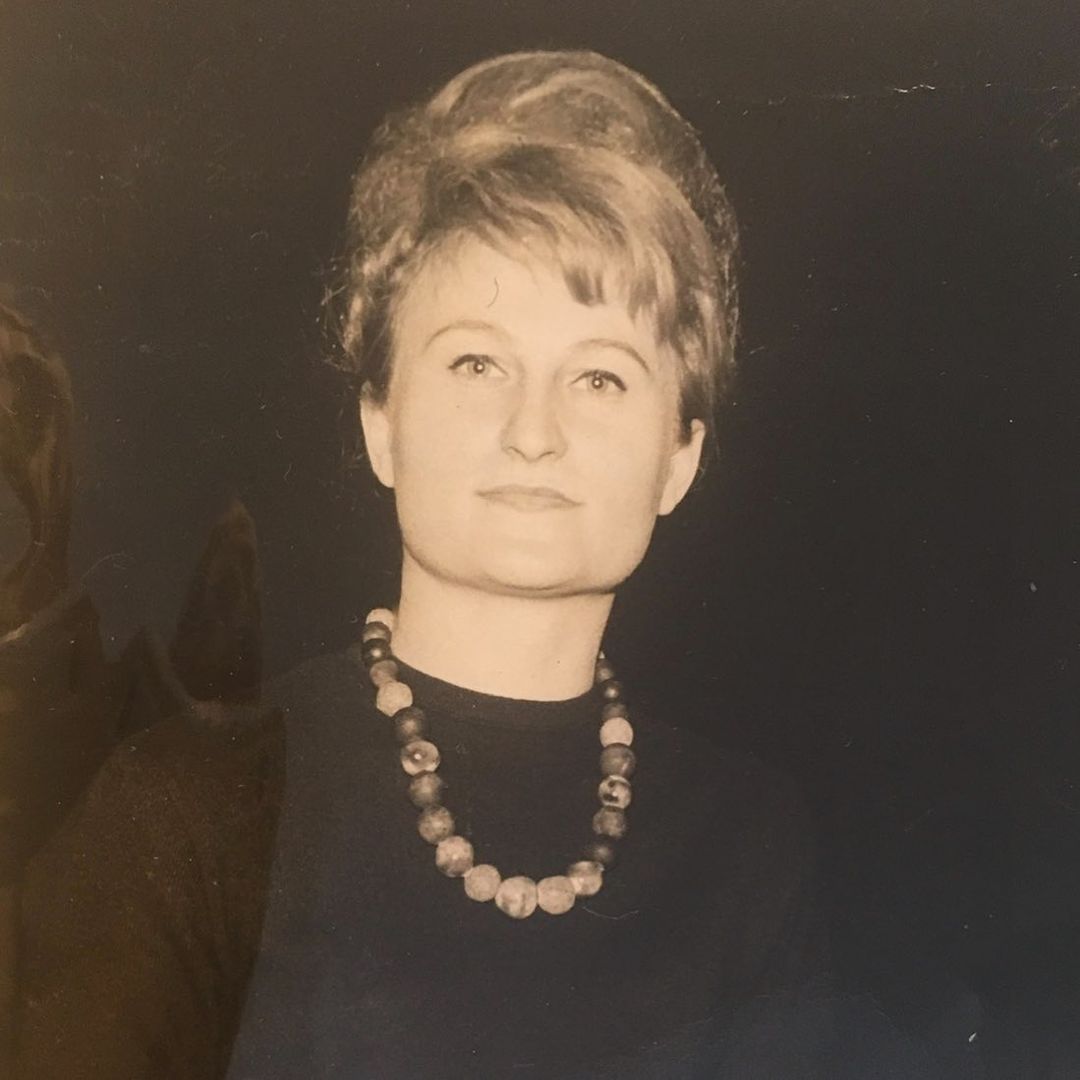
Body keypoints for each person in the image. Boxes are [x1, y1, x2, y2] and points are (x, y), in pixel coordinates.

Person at [16, 50, 830, 1078]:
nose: (534, 432)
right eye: (477, 362)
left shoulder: (748, 846)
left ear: (681, 456)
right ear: (381, 422)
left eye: (600, 378)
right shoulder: (187, 807)